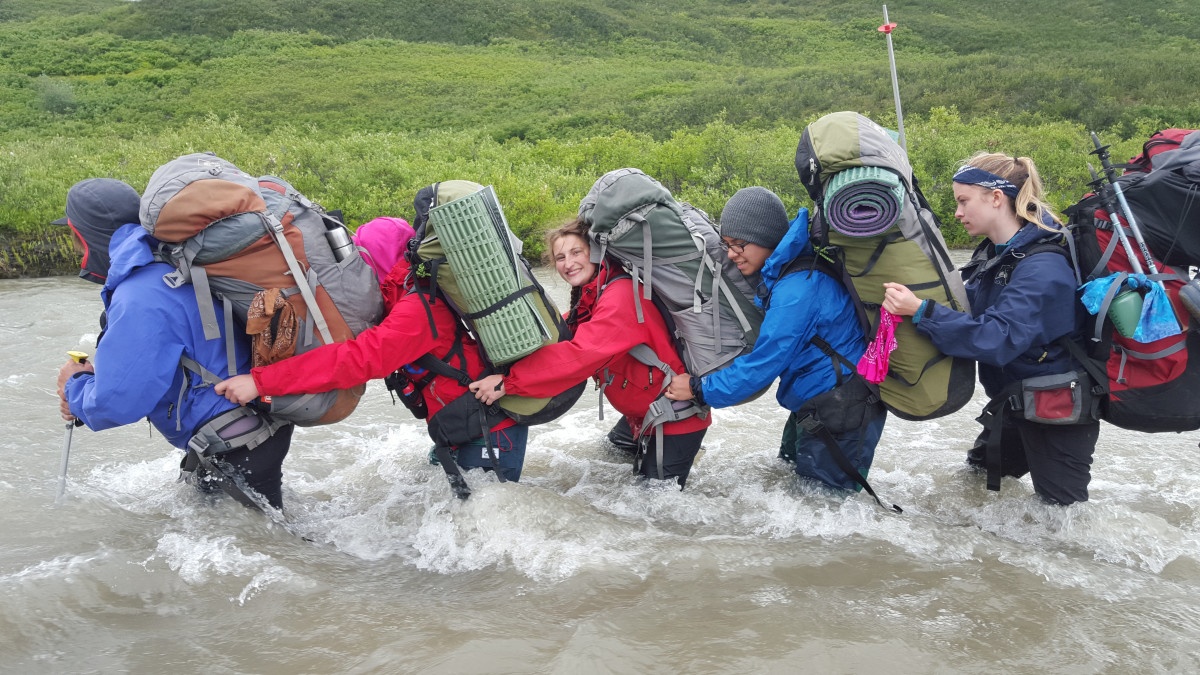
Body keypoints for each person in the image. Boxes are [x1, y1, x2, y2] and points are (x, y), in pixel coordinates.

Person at [215, 215, 531, 482]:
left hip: (489, 430)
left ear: (380, 260)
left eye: (360, 261)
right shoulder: (400, 299)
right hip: (460, 425)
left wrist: (261, 381)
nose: (356, 271)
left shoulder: (420, 308)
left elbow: (358, 359)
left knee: (475, 535)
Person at [55, 180, 294, 512]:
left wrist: (76, 385)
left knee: (274, 549)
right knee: (260, 541)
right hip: (249, 429)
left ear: (85, 236)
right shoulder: (175, 264)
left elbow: (117, 401)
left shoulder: (139, 295)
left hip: (232, 441)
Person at [881, 153, 1099, 505]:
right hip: (1014, 404)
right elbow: (966, 310)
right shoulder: (996, 257)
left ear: (996, 197)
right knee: (976, 485)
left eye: (963, 201)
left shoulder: (1044, 266)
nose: (957, 212)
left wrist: (922, 311)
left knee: (1061, 521)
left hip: (1057, 413)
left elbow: (996, 338)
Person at [665, 187, 887, 493]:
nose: (731, 254)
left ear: (766, 236)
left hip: (842, 412)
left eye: (739, 245)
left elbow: (763, 364)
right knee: (791, 486)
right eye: (726, 245)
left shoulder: (797, 289)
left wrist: (698, 388)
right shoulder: (787, 274)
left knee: (823, 512)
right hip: (817, 405)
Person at [467, 219, 710, 489]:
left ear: (595, 252)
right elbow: (567, 330)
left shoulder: (620, 296)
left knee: (651, 507)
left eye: (576, 252)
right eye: (560, 257)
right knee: (606, 456)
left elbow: (580, 355)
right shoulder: (594, 294)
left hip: (673, 417)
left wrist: (508, 382)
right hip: (642, 416)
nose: (567, 263)